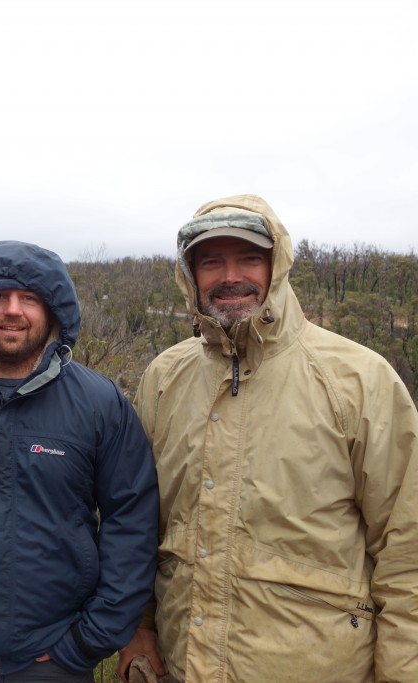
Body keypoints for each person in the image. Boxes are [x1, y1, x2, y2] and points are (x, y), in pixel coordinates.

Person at [118, 194, 418, 682]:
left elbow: (407, 555)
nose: (230, 275)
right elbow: (138, 527)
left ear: (276, 266)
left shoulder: (360, 381)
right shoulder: (164, 378)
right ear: (190, 275)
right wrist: (139, 628)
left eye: (249, 258)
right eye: (211, 261)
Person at [0, 240, 160, 682]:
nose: (12, 310)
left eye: (29, 298)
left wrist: (91, 638)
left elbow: (133, 519)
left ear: (53, 311)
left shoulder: (100, 404)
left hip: (54, 657)